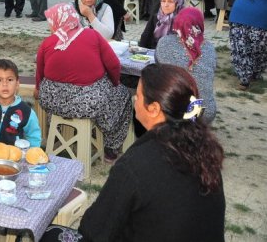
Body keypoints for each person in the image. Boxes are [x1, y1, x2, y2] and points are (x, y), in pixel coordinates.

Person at [71, 64, 226, 242]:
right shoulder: (204, 151)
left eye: (138, 95)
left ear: (153, 109)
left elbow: (94, 231)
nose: (135, 100)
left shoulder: (137, 164)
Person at [35, 3, 131, 163]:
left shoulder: (48, 42)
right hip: (87, 104)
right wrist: (115, 83)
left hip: (53, 103)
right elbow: (114, 65)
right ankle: (111, 147)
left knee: (92, 94)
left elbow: (40, 74)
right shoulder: (92, 36)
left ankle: (58, 135)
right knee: (122, 95)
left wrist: (38, 89)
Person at [155, 8, 217, 123]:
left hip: (175, 111)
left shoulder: (164, 43)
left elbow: (159, 70)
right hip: (206, 111)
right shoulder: (210, 48)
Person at [229, 0, 267, 91]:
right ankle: (255, 74)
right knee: (258, 49)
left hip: (238, 15)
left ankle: (243, 79)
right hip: (261, 17)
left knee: (240, 49)